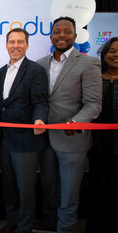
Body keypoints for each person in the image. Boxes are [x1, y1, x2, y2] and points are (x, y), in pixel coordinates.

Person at [36, 16, 102, 233]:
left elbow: (93, 104)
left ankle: (66, 228)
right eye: (57, 31)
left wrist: (75, 121)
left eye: (67, 32)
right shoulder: (40, 64)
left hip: (72, 138)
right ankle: (50, 222)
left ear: (75, 35)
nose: (61, 35)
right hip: (44, 137)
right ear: (51, 35)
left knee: (69, 191)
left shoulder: (89, 63)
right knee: (49, 188)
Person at [0, 28, 49, 233]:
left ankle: (25, 227)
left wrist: (39, 119)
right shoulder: (1, 72)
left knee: (25, 188)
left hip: (26, 140)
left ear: (27, 45)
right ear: (6, 45)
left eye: (20, 42)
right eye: (11, 42)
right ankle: (12, 221)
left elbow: (41, 101)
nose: (15, 46)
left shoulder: (35, 70)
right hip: (4, 138)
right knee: (8, 185)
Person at [86, 37, 118, 232]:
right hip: (97, 146)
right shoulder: (95, 79)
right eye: (112, 51)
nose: (116, 55)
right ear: (104, 56)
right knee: (98, 188)